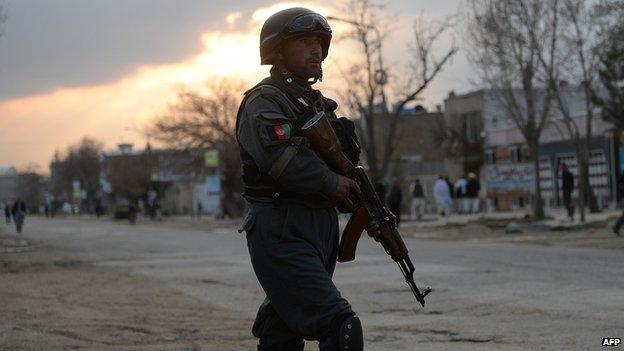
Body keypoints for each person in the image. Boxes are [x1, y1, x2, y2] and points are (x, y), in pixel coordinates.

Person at [236, 8, 375, 350]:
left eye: (318, 42)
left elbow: (338, 164)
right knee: (340, 324)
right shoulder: (264, 101)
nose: (315, 49)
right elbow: (282, 159)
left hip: (317, 227)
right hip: (283, 226)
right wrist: (331, 183)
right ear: (278, 51)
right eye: (303, 41)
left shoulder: (317, 105)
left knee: (282, 331)